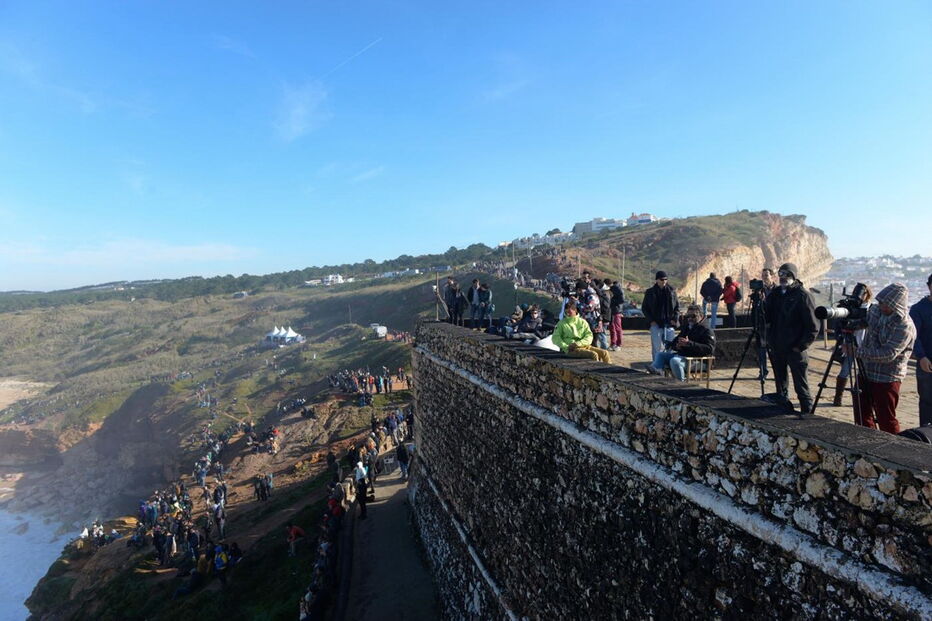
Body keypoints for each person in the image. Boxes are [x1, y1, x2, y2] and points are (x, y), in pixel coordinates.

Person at [853, 283, 916, 434]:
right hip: (866, 371)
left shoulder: (905, 326)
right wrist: (850, 322)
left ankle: (892, 448)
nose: (881, 306)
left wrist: (857, 352)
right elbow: (865, 322)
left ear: (896, 305)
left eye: (885, 304)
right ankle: (865, 439)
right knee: (861, 413)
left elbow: (888, 354)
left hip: (887, 377)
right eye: (880, 302)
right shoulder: (876, 311)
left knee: (885, 417)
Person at [764, 263, 819, 414]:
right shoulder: (775, 295)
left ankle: (807, 416)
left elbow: (813, 326)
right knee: (780, 386)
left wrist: (800, 346)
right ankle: (782, 411)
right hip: (777, 347)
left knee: (801, 386)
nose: (782, 278)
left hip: (795, 349)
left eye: (786, 275)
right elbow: (767, 317)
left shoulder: (803, 296)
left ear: (793, 276)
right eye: (780, 275)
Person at [647, 307, 715, 380]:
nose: (690, 319)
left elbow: (709, 348)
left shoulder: (707, 330)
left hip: (698, 360)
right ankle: (656, 374)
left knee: (674, 361)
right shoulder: (687, 327)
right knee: (660, 355)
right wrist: (677, 346)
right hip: (684, 356)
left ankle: (681, 385)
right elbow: (676, 341)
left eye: (693, 316)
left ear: (701, 316)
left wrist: (689, 344)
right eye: (688, 316)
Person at [833, 284, 872, 406]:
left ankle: (863, 397)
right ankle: (838, 397)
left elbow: (868, 324)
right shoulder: (850, 307)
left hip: (864, 345)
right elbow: (840, 325)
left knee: (864, 373)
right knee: (845, 371)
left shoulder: (871, 309)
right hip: (849, 343)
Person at [910, 273, 932, 426]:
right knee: (926, 400)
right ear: (929, 286)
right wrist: (921, 356)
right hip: (927, 361)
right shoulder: (918, 309)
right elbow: (914, 336)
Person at [642, 271, 680, 358]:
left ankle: (668, 366)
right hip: (656, 324)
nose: (664, 281)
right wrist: (651, 321)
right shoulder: (650, 292)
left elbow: (677, 307)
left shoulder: (672, 291)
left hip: (669, 324)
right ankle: (656, 367)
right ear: (657, 280)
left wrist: (675, 319)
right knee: (656, 347)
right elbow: (644, 308)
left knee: (670, 347)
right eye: (662, 279)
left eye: (666, 279)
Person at [754, 268, 776, 379]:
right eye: (763, 275)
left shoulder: (777, 290)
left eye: (766, 275)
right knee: (761, 349)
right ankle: (763, 371)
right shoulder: (760, 290)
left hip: (775, 324)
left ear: (772, 276)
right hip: (762, 324)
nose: (764, 277)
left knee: (775, 351)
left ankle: (778, 372)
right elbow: (755, 308)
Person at [609, 281, 625, 351]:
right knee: (613, 328)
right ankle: (614, 343)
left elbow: (622, 300)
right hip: (614, 311)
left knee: (617, 328)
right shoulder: (618, 293)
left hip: (616, 312)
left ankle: (618, 344)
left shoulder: (618, 292)